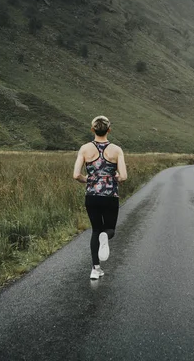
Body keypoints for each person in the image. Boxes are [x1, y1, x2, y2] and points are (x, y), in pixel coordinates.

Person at [73, 116, 127, 280]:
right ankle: (107, 236)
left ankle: (95, 269)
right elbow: (123, 176)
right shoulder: (116, 150)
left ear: (93, 130)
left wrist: (88, 180)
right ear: (109, 130)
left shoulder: (84, 149)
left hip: (91, 195)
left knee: (96, 230)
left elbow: (76, 175)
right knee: (109, 229)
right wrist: (113, 178)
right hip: (110, 195)